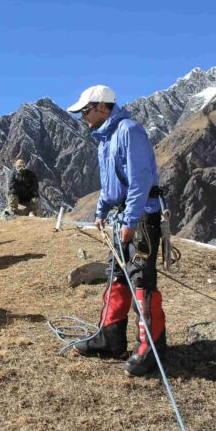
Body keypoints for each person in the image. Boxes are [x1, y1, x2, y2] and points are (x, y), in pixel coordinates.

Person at [67, 85, 166, 376]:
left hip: (142, 218)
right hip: (121, 216)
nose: (82, 117)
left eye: (85, 111)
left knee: (141, 280)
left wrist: (131, 221)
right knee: (117, 274)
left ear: (102, 107)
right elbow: (111, 185)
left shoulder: (128, 131)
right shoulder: (105, 139)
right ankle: (110, 338)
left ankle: (152, 348)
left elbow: (140, 180)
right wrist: (101, 212)